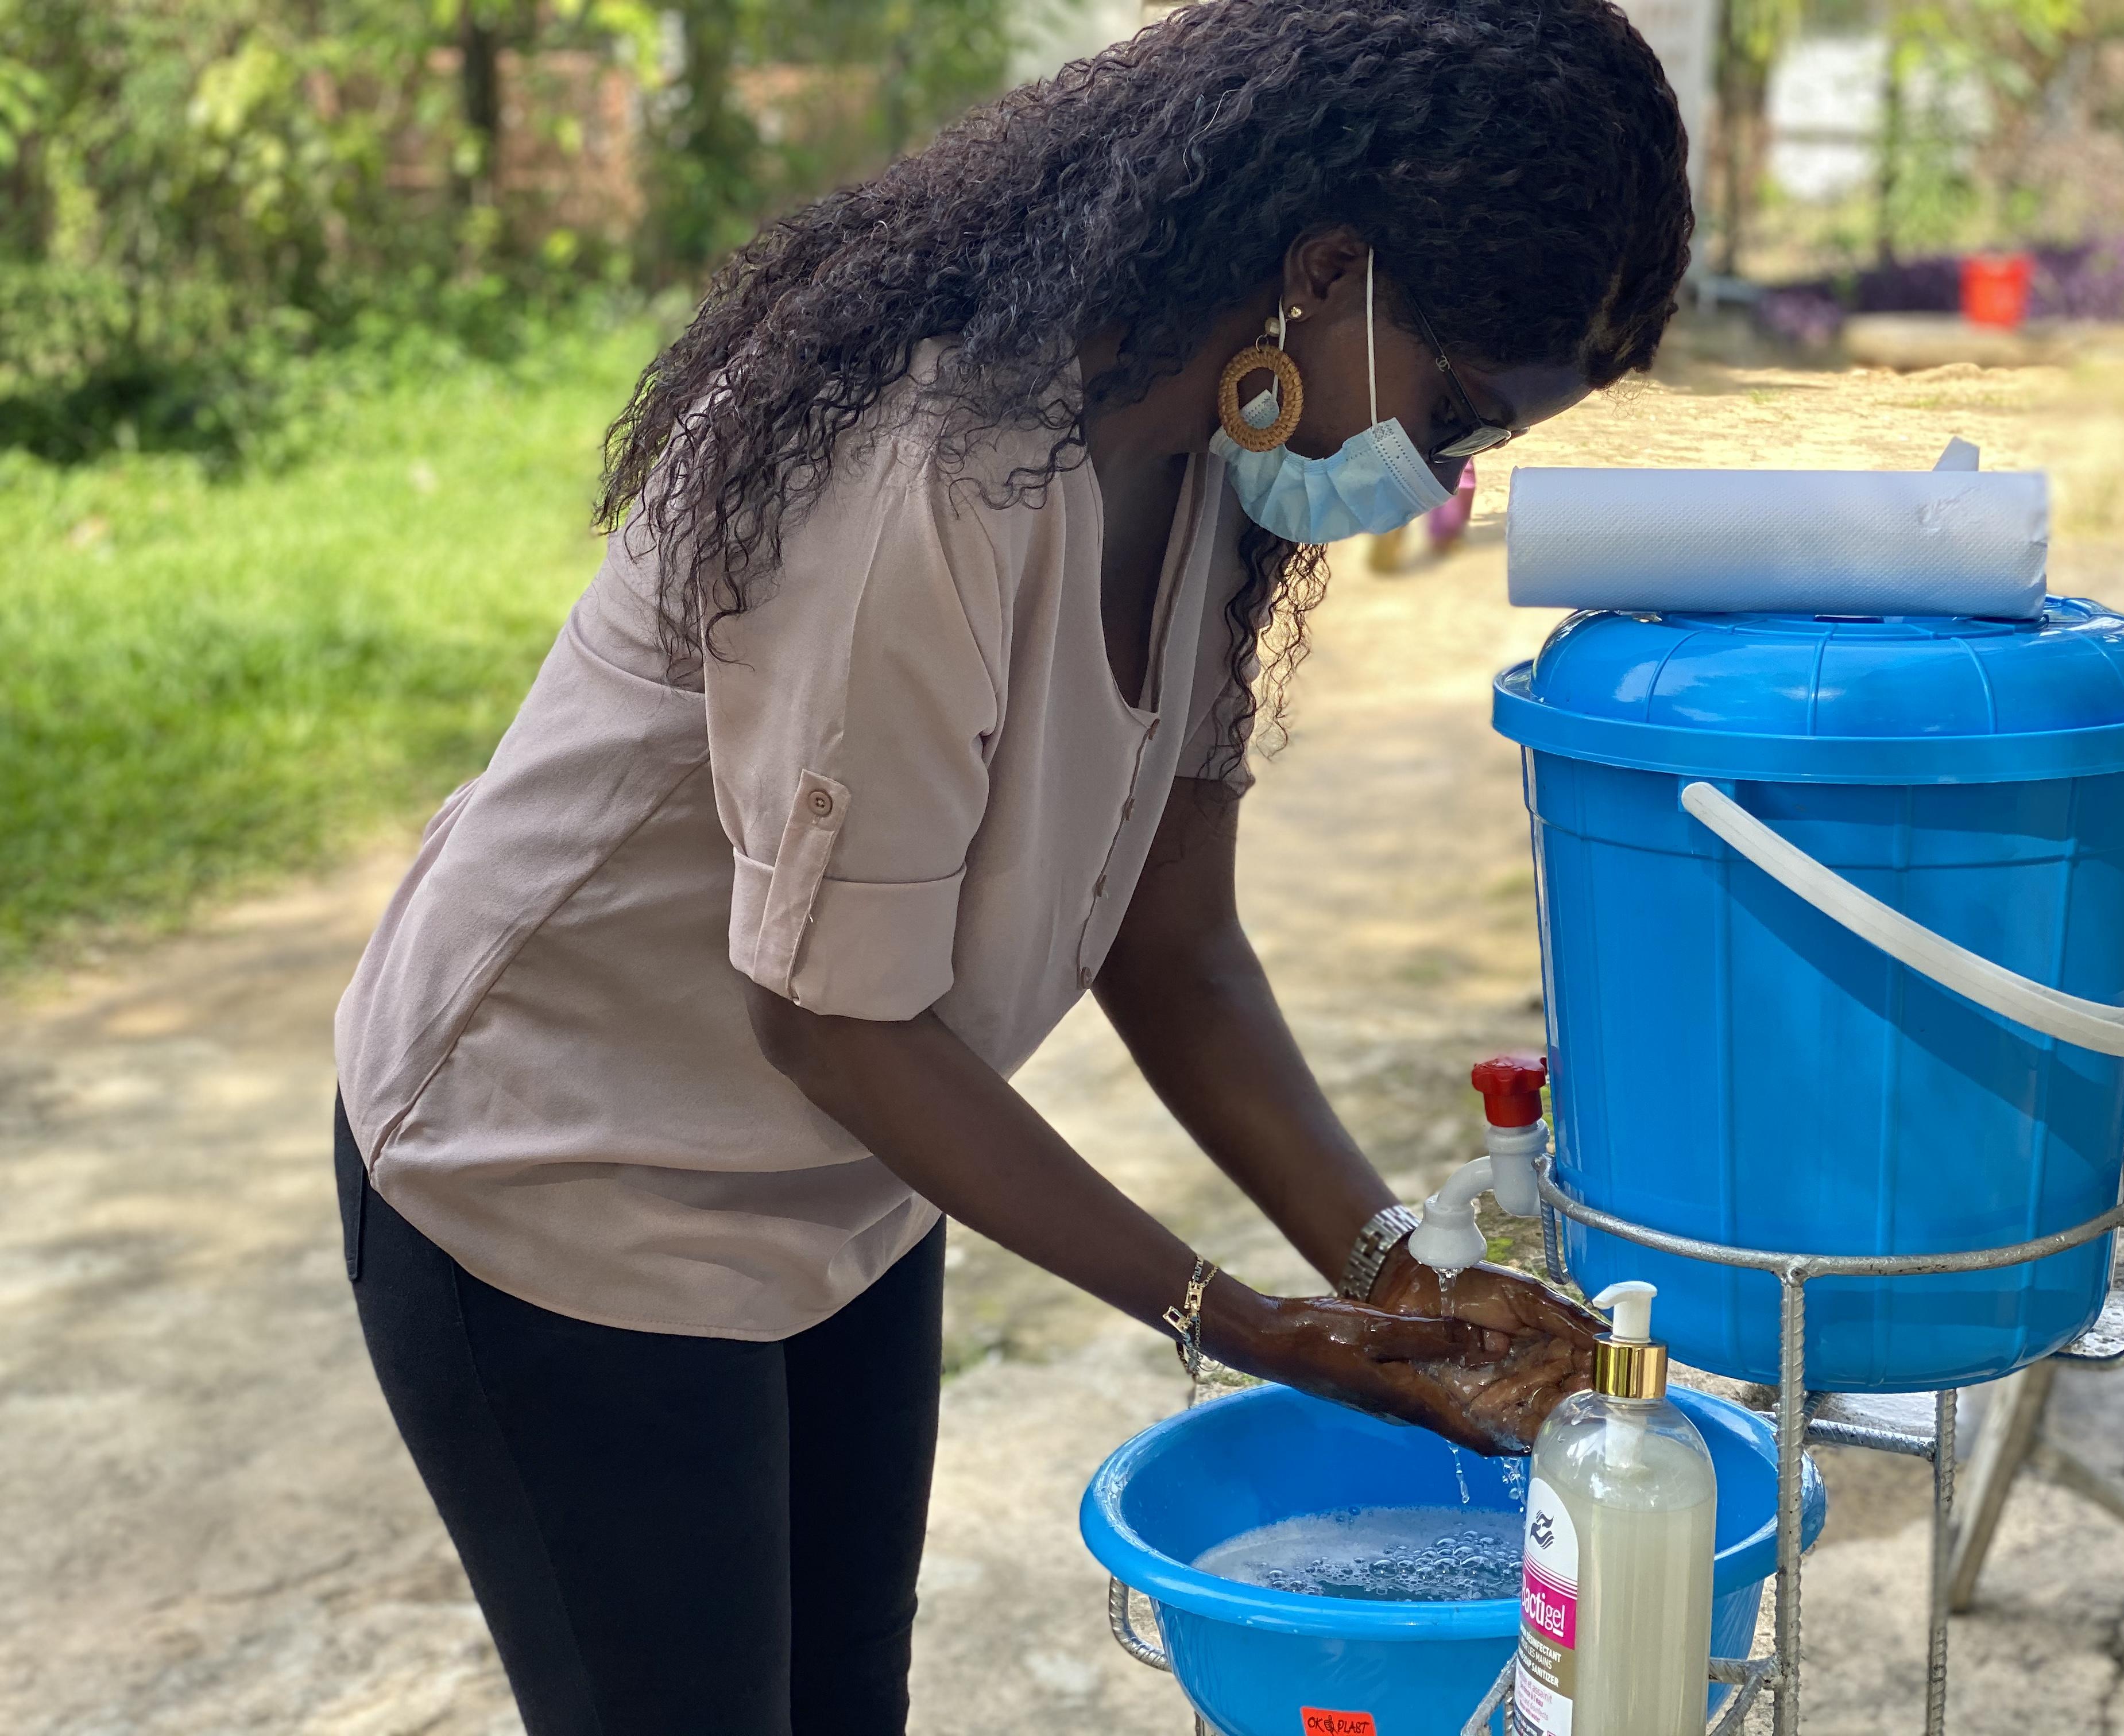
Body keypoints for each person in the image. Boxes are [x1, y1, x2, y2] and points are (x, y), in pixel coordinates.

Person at [331, 1, 1692, 1730]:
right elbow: (834, 1026)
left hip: (840, 1188)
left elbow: (1177, 946)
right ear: (1327, 271)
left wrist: (1390, 1273)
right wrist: (1236, 1320)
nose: (1442, 473)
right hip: (560, 1181)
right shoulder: (926, 475)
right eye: (1462, 408)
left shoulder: (1208, 464)